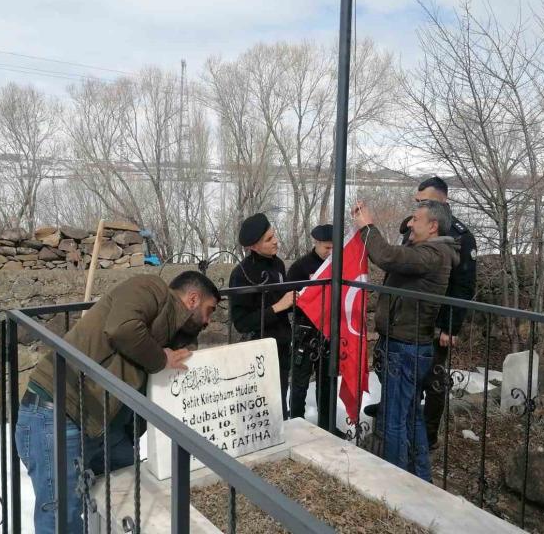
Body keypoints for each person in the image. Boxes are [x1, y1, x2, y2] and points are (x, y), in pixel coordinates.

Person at [17, 271, 220, 534]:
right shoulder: (150, 287)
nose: (208, 321)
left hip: (102, 424)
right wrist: (161, 359)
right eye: (209, 310)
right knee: (61, 518)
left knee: (132, 493)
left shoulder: (172, 329)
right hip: (57, 412)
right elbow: (121, 328)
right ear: (193, 299)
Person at [352, 200, 460, 482]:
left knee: (393, 422)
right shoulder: (430, 250)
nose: (409, 223)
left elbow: (388, 257)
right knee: (411, 417)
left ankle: (396, 487)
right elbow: (399, 253)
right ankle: (421, 481)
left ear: (433, 226)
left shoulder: (432, 255)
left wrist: (367, 227)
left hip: (405, 348)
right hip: (407, 346)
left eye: (415, 219)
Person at [410, 177, 478, 450]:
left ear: (443, 200)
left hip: (437, 323)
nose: (420, 205)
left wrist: (450, 326)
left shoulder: (460, 236)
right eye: (418, 201)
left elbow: (463, 286)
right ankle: (408, 428)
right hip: (412, 318)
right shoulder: (415, 225)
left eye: (426, 200)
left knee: (434, 380)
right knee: (409, 377)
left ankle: (427, 438)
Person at [228, 213, 295, 419]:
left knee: (280, 400)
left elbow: (284, 303)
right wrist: (278, 307)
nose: (275, 241)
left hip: (282, 343)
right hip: (258, 350)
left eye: (274, 235)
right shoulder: (241, 274)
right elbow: (241, 323)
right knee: (262, 408)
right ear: (254, 247)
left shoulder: (278, 264)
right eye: (268, 239)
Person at [287, 224, 333, 418]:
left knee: (327, 383)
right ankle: (297, 421)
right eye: (327, 248)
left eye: (334, 248)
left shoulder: (337, 265)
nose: (331, 252)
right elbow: (288, 299)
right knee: (299, 383)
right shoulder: (300, 267)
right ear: (316, 243)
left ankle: (326, 424)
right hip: (305, 331)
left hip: (328, 330)